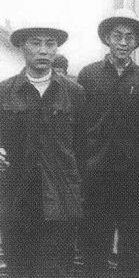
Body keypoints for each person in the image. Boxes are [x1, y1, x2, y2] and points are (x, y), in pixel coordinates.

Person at [0, 22, 86, 278]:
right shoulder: (4, 92)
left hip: (60, 200)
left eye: (50, 44)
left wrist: (75, 192)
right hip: (17, 199)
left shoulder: (74, 92)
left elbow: (83, 147)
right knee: (20, 268)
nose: (43, 50)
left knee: (56, 270)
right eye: (36, 43)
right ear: (22, 47)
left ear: (56, 49)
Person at [78, 9, 139, 278]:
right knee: (96, 237)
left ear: (136, 42)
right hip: (96, 173)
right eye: (117, 36)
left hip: (132, 175)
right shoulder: (89, 75)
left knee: (131, 237)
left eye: (129, 37)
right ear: (107, 39)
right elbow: (79, 124)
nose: (123, 42)